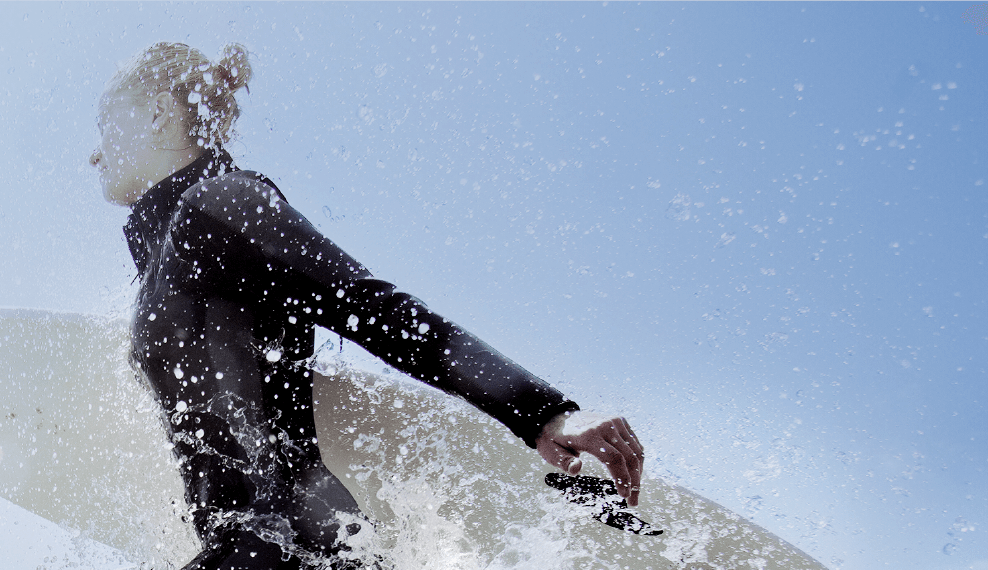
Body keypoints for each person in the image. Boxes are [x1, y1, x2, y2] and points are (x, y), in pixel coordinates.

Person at [90, 42, 647, 570]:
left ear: (160, 113)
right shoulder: (169, 258)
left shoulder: (219, 203)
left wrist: (543, 413)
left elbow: (364, 303)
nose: (94, 155)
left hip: (293, 546)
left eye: (104, 127)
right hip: (264, 546)